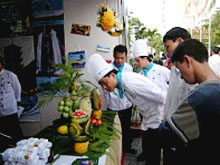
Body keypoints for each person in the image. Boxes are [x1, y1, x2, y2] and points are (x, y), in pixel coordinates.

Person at [86, 53, 166, 165]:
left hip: (157, 117)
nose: (104, 87)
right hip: (148, 117)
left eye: (104, 83)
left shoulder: (130, 82)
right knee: (148, 151)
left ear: (112, 76)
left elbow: (162, 97)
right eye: (101, 85)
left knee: (152, 154)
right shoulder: (122, 82)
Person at [158, 39, 220, 165]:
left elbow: (167, 134)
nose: (181, 76)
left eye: (180, 70)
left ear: (187, 60)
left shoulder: (200, 98)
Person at [162, 27, 197, 165]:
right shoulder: (174, 69)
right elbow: (171, 98)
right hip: (169, 128)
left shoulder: (194, 71)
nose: (167, 52)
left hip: (182, 135)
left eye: (168, 47)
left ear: (180, 41)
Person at [132, 39, 170, 163]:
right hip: (146, 113)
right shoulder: (140, 75)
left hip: (160, 115)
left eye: (138, 60)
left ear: (145, 58)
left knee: (155, 146)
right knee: (147, 142)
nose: (137, 63)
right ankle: (147, 155)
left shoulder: (162, 71)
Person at [103, 45, 135, 154]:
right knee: (114, 129)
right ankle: (115, 150)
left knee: (126, 127)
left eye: (122, 58)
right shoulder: (107, 68)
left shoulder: (129, 68)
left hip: (126, 103)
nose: (119, 60)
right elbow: (104, 85)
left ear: (126, 57)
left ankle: (127, 147)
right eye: (117, 58)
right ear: (113, 56)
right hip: (113, 103)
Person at [0, 56, 24, 151]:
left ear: (1, 64)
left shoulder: (10, 75)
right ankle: (7, 153)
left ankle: (22, 151)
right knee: (4, 134)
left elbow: (17, 89)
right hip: (0, 112)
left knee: (15, 132)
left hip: (10, 109)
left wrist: (17, 102)